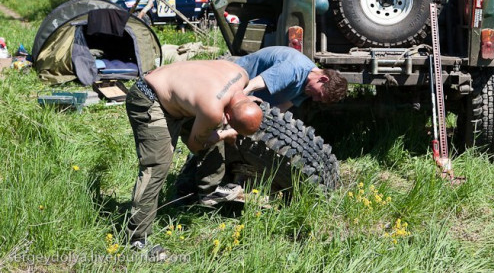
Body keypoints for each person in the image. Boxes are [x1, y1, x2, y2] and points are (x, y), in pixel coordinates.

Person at [175, 46, 348, 204]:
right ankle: (191, 190)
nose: (315, 99)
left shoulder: (307, 86)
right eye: (319, 95)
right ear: (323, 78)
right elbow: (249, 86)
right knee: (215, 136)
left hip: (246, 99)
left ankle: (208, 182)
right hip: (230, 86)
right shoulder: (293, 69)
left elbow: (279, 110)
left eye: (320, 100)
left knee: (232, 138)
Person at [125, 60, 262, 257]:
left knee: (212, 128)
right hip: (148, 97)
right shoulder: (213, 110)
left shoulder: (241, 74)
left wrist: (220, 129)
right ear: (229, 118)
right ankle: (137, 239)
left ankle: (209, 191)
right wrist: (226, 133)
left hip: (176, 91)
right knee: (157, 165)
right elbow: (195, 145)